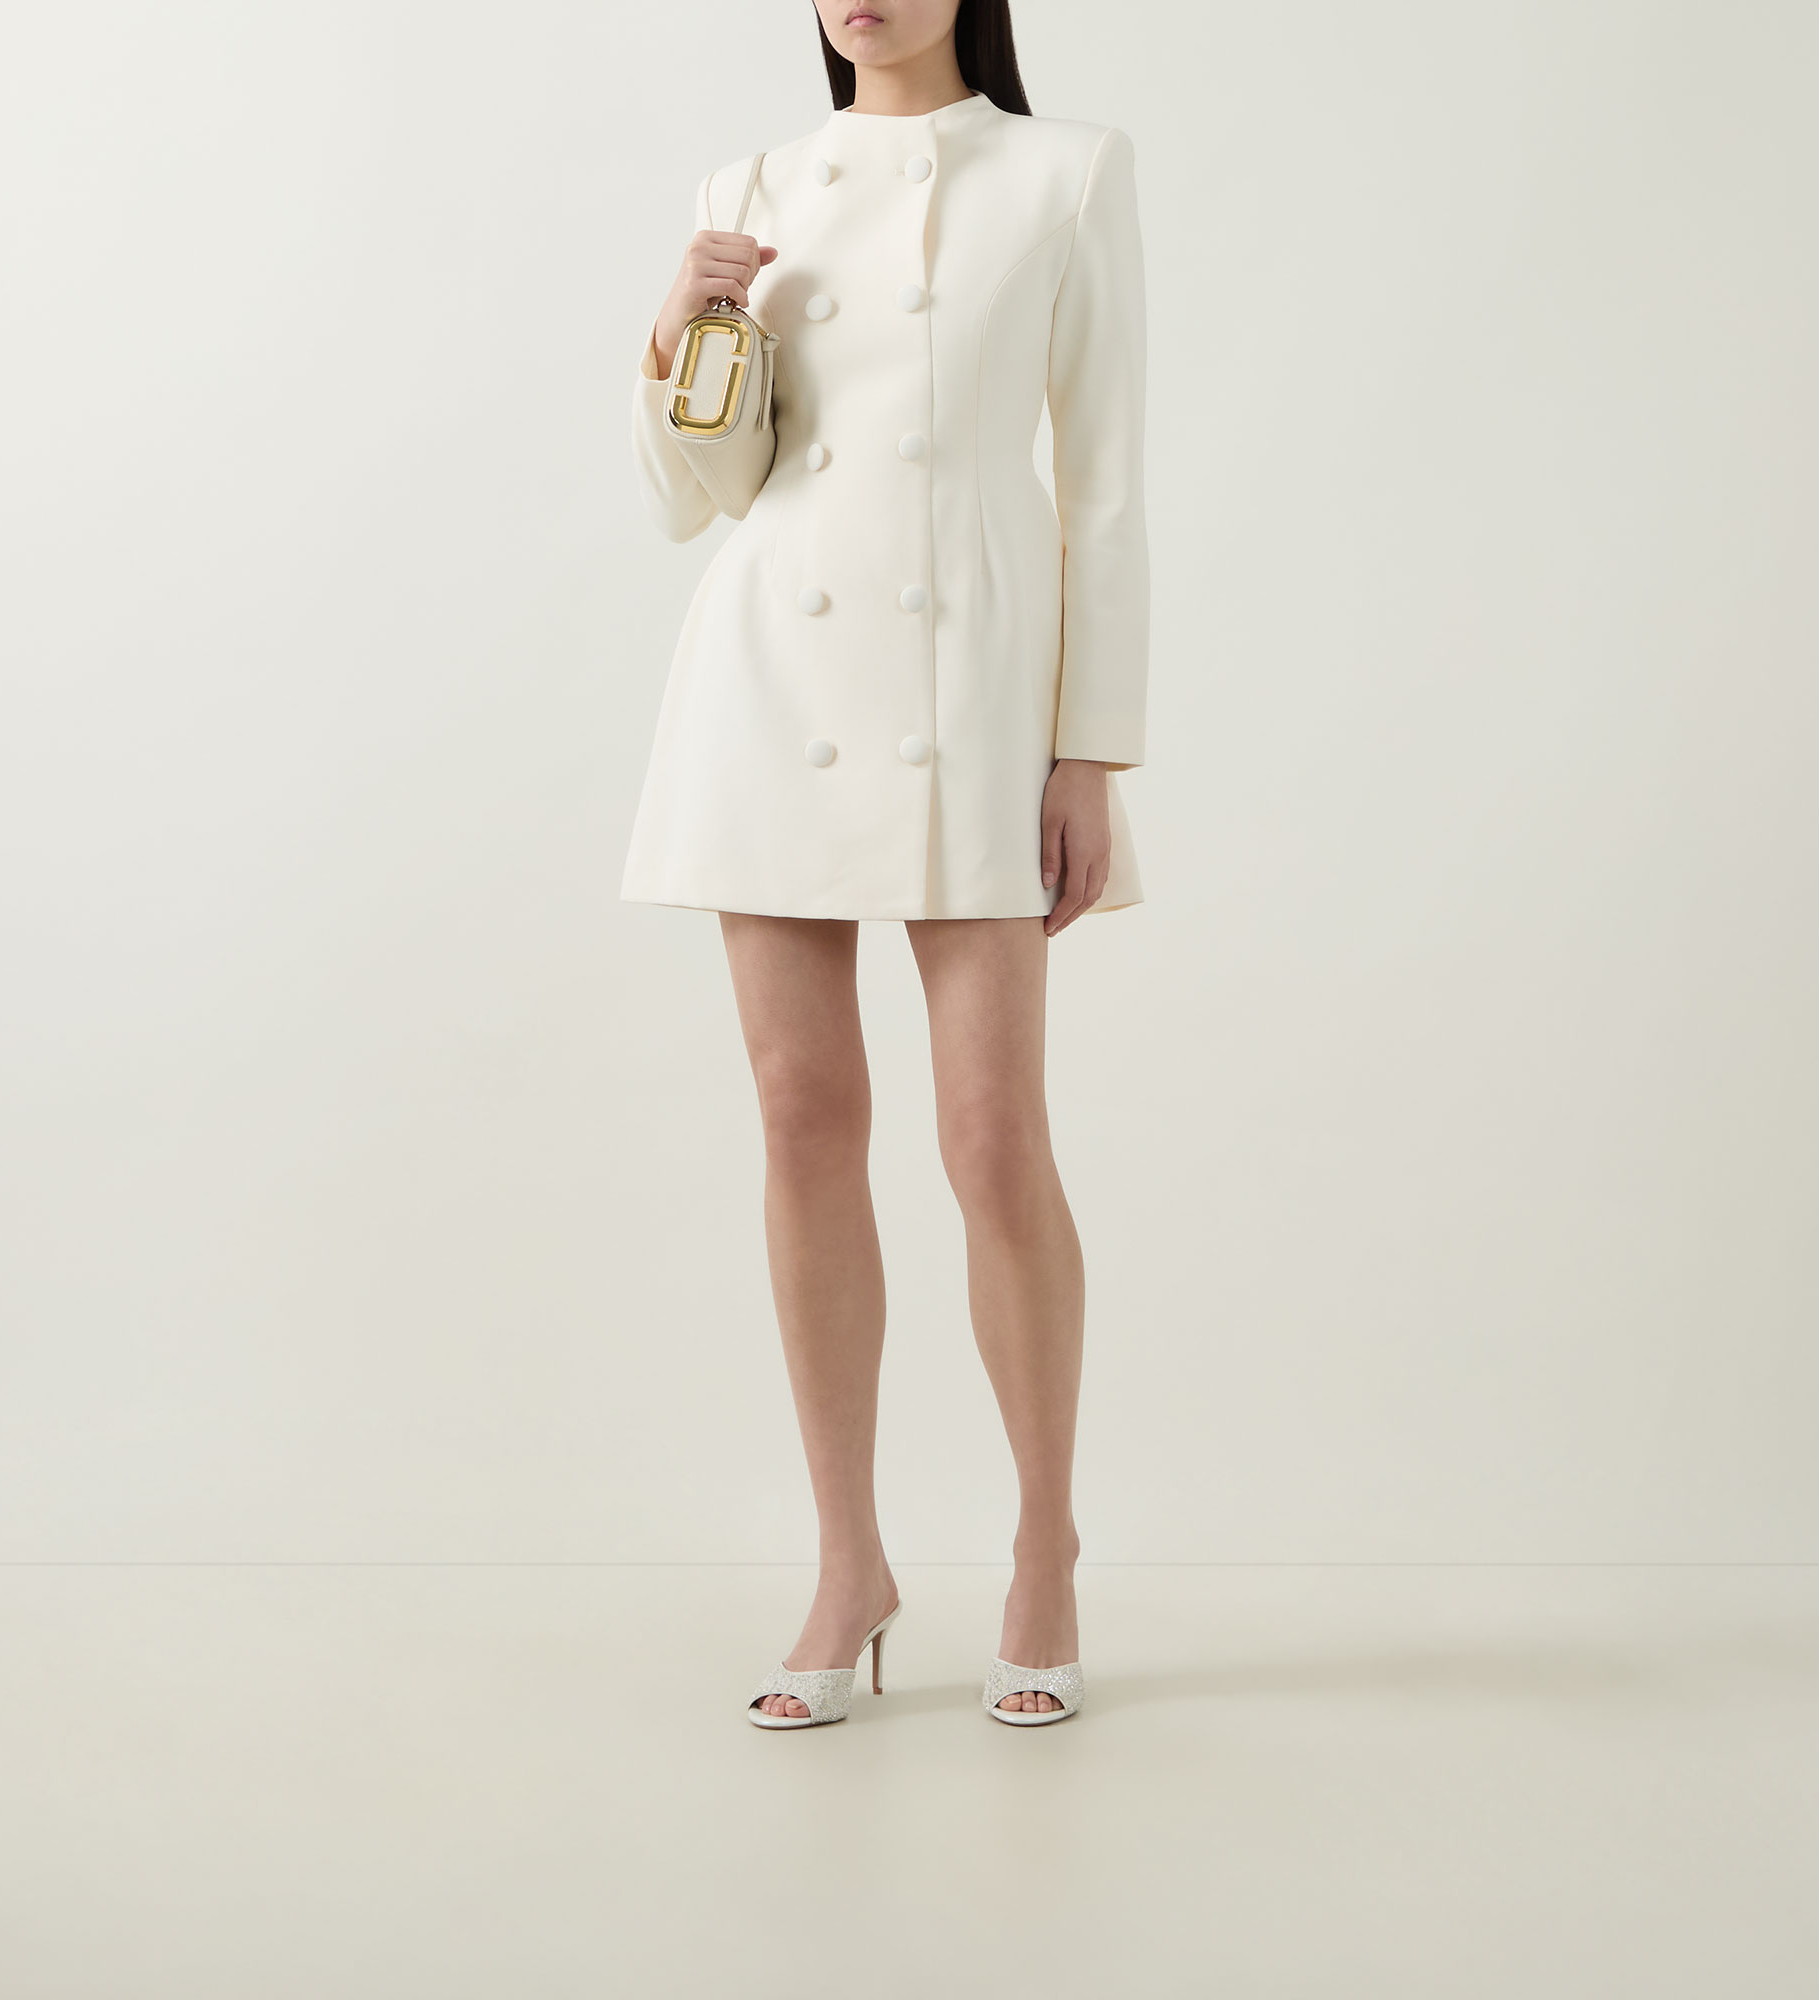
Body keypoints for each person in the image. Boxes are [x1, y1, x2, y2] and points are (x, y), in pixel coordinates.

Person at [624, 0, 1148, 1728]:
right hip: (771, 672)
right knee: (801, 1117)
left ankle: (1045, 1543)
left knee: (993, 1140)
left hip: (974, 687)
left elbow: (1103, 488)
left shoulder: (1068, 174)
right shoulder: (751, 183)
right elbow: (706, 492)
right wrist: (681, 331)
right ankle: (848, 1564)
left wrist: (1090, 749)